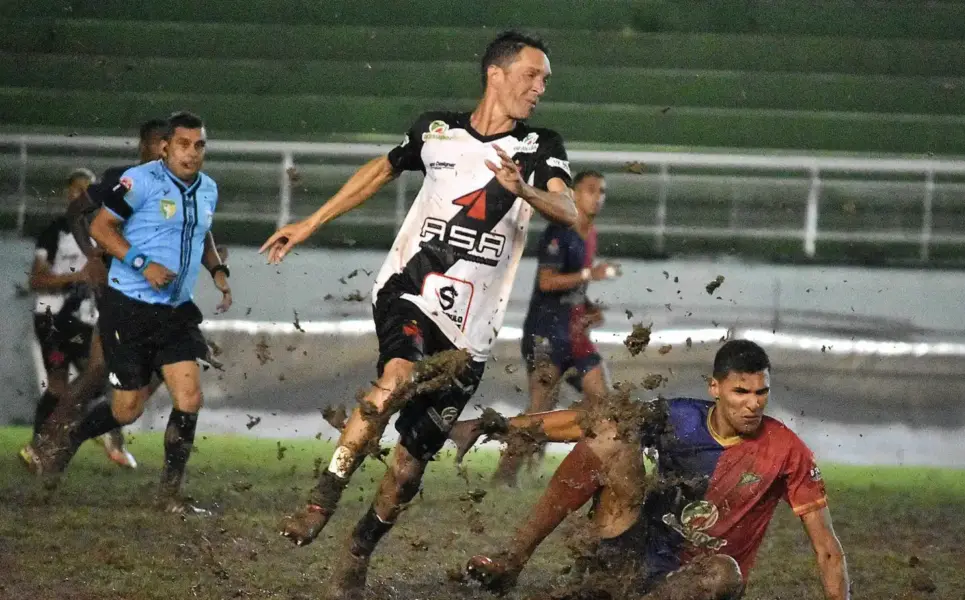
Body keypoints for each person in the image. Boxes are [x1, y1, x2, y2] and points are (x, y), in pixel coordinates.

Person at [260, 30, 578, 599]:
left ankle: (358, 551)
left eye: (545, 79)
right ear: (496, 74)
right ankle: (320, 501)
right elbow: (382, 169)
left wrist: (525, 193)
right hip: (409, 292)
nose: (540, 87)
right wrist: (309, 223)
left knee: (406, 471)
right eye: (533, 75)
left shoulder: (539, 145)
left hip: (471, 337)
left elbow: (569, 209)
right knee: (397, 376)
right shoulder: (436, 131)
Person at [453, 340, 851, 600]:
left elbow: (827, 548)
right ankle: (512, 560)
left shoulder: (787, 451)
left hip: (688, 583)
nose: (753, 404)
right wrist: (499, 424)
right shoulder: (677, 417)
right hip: (629, 551)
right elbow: (586, 420)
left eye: (761, 392)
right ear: (715, 388)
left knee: (724, 574)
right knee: (611, 435)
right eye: (741, 392)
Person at [24, 111, 233, 514]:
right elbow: (102, 228)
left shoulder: (208, 189)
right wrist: (142, 265)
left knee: (189, 397)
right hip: (129, 309)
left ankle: (169, 496)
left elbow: (201, 230)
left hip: (174, 311)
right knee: (126, 409)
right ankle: (70, 439)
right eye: (184, 145)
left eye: (199, 145)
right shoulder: (138, 182)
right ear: (165, 147)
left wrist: (217, 271)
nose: (192, 153)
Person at [494, 169, 617, 485]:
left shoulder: (590, 235)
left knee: (604, 401)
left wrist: (589, 308)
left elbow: (573, 287)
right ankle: (505, 476)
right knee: (540, 410)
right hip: (545, 333)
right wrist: (591, 275)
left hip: (575, 336)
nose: (597, 197)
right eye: (591, 190)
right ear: (574, 193)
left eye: (602, 191)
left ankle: (595, 471)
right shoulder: (558, 232)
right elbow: (547, 282)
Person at [21, 168, 134, 467]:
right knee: (59, 384)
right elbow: (36, 279)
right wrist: (77, 276)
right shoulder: (55, 231)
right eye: (73, 190)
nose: (77, 195)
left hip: (82, 320)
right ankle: (39, 446)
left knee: (102, 376)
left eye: (84, 190)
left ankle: (109, 440)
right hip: (51, 317)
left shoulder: (101, 230)